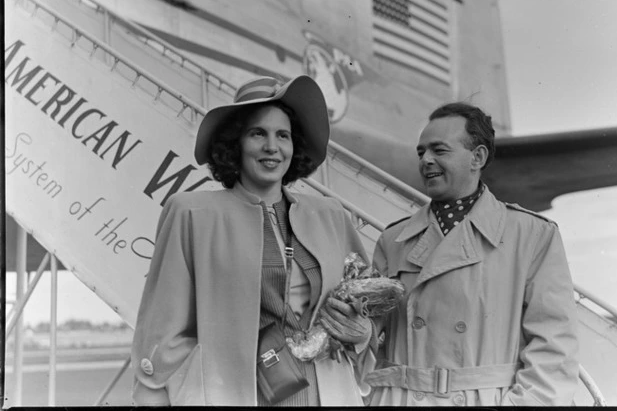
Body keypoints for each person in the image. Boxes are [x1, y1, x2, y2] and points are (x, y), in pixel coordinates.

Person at [131, 75, 373, 406]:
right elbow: (162, 331)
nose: (272, 147)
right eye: (258, 133)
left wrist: (363, 333)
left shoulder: (330, 215)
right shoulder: (192, 214)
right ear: (235, 144)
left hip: (327, 391)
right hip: (238, 393)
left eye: (283, 135)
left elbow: (369, 307)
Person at [364, 102, 580, 406]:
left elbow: (554, 349)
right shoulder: (393, 239)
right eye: (421, 152)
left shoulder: (532, 235)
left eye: (439, 150)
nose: (426, 160)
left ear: (477, 157)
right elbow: (367, 338)